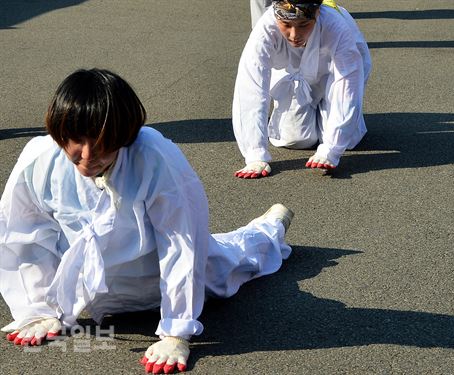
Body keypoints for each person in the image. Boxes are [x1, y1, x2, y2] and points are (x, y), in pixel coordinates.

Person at [0, 68, 294, 374]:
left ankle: (269, 229)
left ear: (125, 136)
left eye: (102, 144)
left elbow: (181, 241)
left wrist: (175, 332)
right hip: (90, 280)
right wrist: (39, 309)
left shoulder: (155, 156)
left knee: (230, 262)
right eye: (77, 141)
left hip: (154, 275)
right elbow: (21, 232)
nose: (87, 155)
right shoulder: (39, 158)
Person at [233, 0, 371, 178]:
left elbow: (347, 84)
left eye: (304, 25)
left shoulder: (337, 26)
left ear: (317, 14)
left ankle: (336, 122)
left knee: (348, 140)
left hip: (335, 71)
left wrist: (331, 150)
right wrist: (255, 154)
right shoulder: (265, 29)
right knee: (296, 139)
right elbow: (251, 88)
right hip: (293, 71)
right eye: (286, 25)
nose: (294, 35)